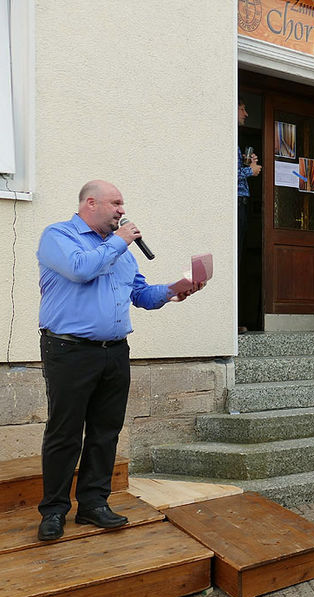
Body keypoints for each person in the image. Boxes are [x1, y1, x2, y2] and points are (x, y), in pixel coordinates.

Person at [35, 180, 206, 542]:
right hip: (69, 350)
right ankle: (53, 511)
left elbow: (141, 294)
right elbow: (81, 269)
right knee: (65, 433)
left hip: (114, 351)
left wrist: (176, 290)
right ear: (90, 203)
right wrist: (121, 240)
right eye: (115, 203)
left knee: (105, 430)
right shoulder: (59, 236)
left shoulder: (121, 251)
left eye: (122, 204)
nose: (121, 210)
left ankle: (93, 505)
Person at [238, 99, 261, 332]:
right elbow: (229, 173)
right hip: (237, 203)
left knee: (241, 257)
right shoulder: (228, 136)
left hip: (242, 204)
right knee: (237, 258)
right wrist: (250, 170)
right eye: (242, 108)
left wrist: (247, 167)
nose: (246, 112)